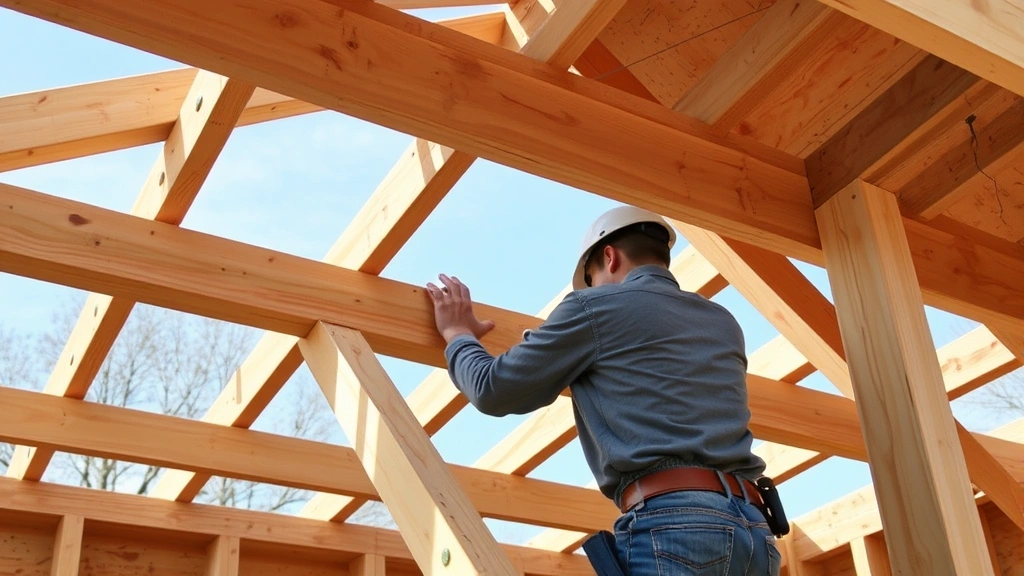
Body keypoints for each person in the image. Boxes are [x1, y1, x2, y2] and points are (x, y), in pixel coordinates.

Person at [425, 205, 782, 575]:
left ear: (609, 257)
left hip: (674, 525)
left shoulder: (593, 308)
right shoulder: (722, 321)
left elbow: (493, 389)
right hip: (753, 530)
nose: (593, 289)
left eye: (591, 279)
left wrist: (458, 335)